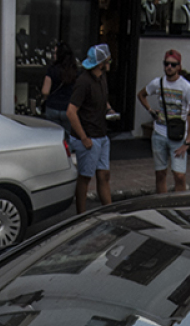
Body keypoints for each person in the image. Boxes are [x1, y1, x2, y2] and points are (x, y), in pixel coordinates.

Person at [137, 50, 190, 194]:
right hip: (159, 133)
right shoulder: (157, 83)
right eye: (166, 64)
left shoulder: (186, 87)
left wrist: (188, 141)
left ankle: (178, 205)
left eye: (173, 64)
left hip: (177, 136)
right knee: (160, 174)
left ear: (179, 66)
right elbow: (141, 95)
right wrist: (150, 110)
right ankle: (162, 205)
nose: (169, 67)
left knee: (179, 175)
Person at [67, 44, 114, 214]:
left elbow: (102, 99)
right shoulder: (84, 82)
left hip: (101, 134)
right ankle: (81, 215)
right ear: (101, 63)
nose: (110, 62)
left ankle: (109, 212)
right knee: (85, 177)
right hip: (89, 137)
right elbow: (71, 112)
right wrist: (84, 137)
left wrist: (108, 108)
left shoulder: (101, 77)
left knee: (104, 175)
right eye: (108, 59)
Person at [41, 42, 79, 136]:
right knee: (68, 137)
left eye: (55, 53)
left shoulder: (51, 70)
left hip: (53, 106)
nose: (53, 55)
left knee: (53, 136)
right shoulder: (75, 70)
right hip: (68, 108)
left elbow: (45, 91)